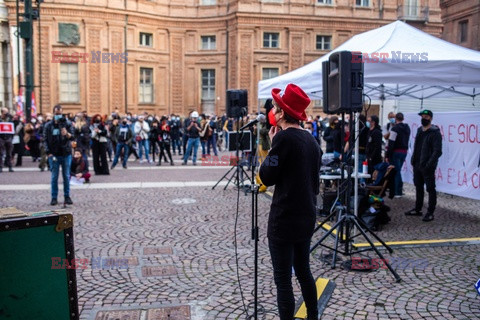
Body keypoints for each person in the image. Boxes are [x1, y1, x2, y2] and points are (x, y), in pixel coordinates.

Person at [259, 83, 320, 320]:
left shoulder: (284, 140)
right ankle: (313, 316)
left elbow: (266, 176)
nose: (272, 111)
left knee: (283, 279)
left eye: (275, 107)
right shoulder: (311, 140)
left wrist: (274, 145)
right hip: (305, 217)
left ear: (282, 113)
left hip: (284, 219)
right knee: (304, 272)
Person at [405, 110, 442, 222]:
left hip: (427, 166)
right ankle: (418, 208)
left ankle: (430, 212)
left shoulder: (435, 132)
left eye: (426, 117)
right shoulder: (419, 130)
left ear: (430, 118)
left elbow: (437, 151)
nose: (423, 118)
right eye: (422, 116)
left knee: (430, 189)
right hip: (417, 164)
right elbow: (416, 146)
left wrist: (429, 164)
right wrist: (413, 160)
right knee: (418, 187)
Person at [43, 104, 75, 205]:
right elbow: (45, 139)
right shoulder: (48, 125)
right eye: (57, 114)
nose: (58, 115)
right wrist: (48, 153)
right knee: (54, 177)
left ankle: (67, 196)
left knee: (66, 176)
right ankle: (54, 197)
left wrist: (67, 133)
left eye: (60, 113)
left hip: (66, 153)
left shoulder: (68, 123)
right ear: (54, 113)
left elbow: (73, 137)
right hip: (54, 154)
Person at [385, 112, 410, 198]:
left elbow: (391, 142)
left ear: (396, 119)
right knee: (398, 170)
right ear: (403, 118)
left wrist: (387, 155)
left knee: (396, 171)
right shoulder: (407, 128)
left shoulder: (394, 129)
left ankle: (398, 191)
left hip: (396, 152)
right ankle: (397, 190)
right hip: (404, 151)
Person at [0, 107, 14, 173]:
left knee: (9, 153)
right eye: (5, 112)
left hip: (8, 138)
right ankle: (0, 167)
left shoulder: (10, 120)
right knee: (1, 153)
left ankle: (10, 166)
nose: (6, 113)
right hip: (1, 138)